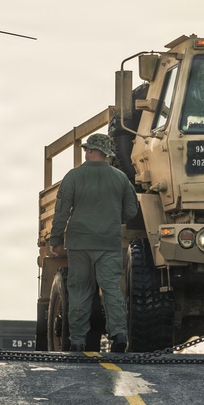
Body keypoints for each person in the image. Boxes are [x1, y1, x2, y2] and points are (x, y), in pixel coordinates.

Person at [48, 133, 139, 352]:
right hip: (108, 241)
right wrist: (112, 218)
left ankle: (77, 339)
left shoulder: (74, 176)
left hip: (80, 242)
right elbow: (131, 210)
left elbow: (61, 211)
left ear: (91, 151)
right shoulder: (120, 178)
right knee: (111, 289)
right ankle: (119, 336)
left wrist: (55, 238)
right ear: (107, 153)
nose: (85, 152)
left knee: (80, 290)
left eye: (86, 149)